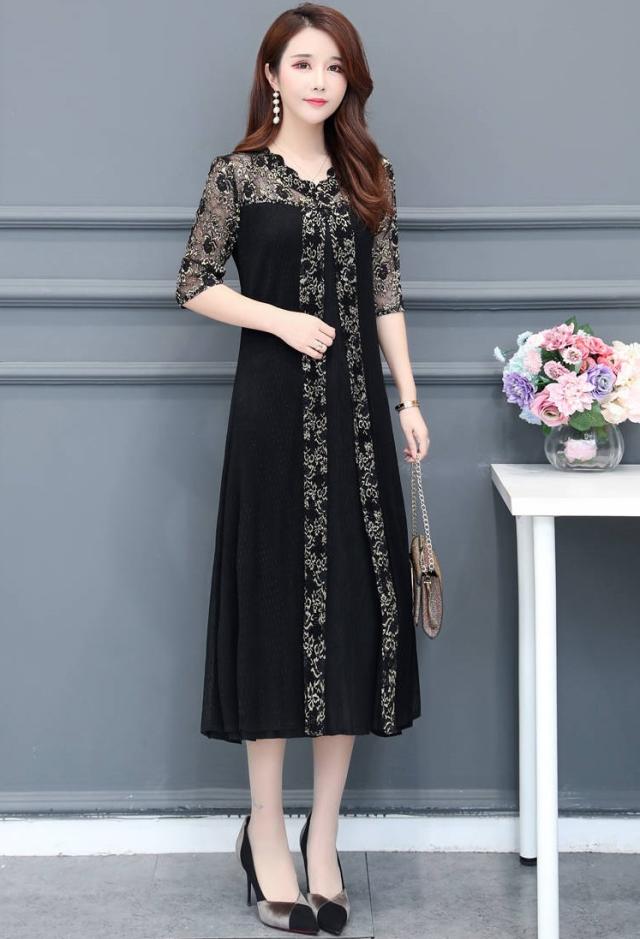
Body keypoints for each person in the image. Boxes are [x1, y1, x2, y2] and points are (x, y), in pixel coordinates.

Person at [175, 3, 430, 934]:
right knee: (274, 612)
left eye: (335, 66)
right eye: (304, 64)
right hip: (272, 422)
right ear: (272, 75)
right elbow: (194, 282)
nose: (321, 80)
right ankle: (264, 831)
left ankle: (324, 836)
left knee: (352, 621)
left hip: (359, 424)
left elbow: (386, 292)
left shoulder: (371, 173)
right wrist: (278, 318)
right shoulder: (237, 175)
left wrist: (409, 399)